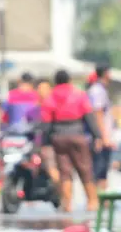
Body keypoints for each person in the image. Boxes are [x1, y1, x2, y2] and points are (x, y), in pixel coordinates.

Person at [41, 69, 101, 212]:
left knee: (64, 171)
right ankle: (92, 202)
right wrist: (97, 135)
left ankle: (67, 203)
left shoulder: (50, 97)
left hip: (59, 136)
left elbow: (46, 123)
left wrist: (45, 142)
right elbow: (89, 117)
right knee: (85, 168)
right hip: (76, 134)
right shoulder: (79, 94)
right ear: (69, 80)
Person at [87, 65, 115, 191]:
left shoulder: (100, 90)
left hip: (102, 136)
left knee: (103, 169)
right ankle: (98, 197)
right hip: (101, 137)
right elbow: (97, 114)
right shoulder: (97, 91)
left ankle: (104, 197)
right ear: (105, 73)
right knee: (99, 168)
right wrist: (103, 137)